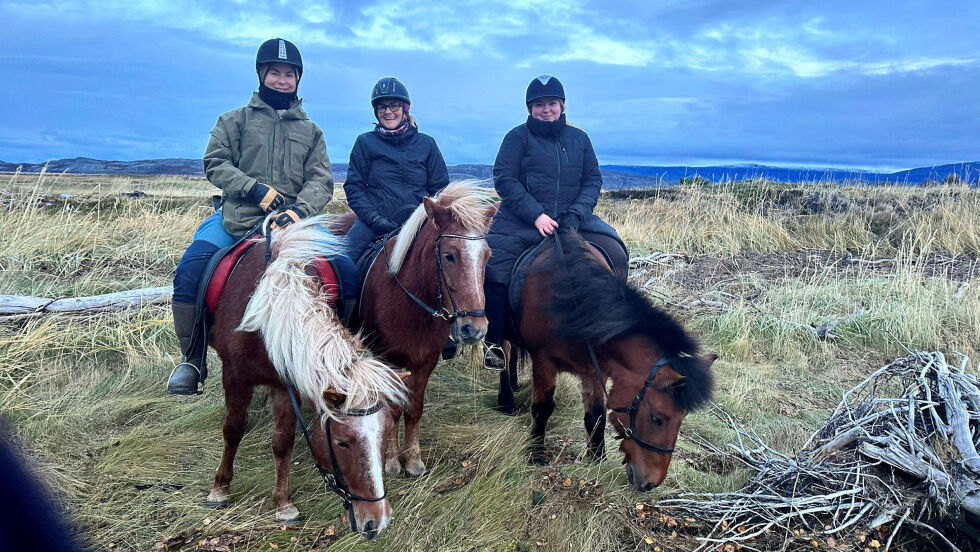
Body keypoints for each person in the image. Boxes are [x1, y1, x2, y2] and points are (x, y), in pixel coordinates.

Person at [167, 38, 343, 395]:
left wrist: (298, 210)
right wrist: (254, 189)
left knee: (347, 275)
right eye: (274, 72)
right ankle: (192, 358)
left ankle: (338, 357)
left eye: (288, 74)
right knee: (190, 271)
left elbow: (321, 180)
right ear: (262, 75)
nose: (281, 80)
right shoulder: (234, 120)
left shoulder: (312, 132)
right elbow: (214, 162)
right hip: (235, 218)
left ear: (298, 79)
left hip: (292, 224)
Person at [483, 75, 627, 369]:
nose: (545, 109)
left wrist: (576, 215)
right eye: (538, 104)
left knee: (616, 253)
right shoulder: (517, 138)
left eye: (551, 103)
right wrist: (535, 214)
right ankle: (494, 343)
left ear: (561, 105)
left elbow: (592, 179)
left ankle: (611, 329)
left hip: (573, 219)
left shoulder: (579, 139)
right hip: (521, 220)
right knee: (494, 272)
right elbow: (505, 178)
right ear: (529, 108)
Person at [342, 77, 450, 263]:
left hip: (418, 223)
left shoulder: (426, 143)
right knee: (342, 263)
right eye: (382, 107)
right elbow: (354, 187)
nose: (388, 111)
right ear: (376, 112)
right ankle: (347, 293)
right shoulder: (365, 142)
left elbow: (440, 189)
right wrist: (374, 219)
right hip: (373, 223)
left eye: (394, 106)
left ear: (405, 110)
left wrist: (428, 219)